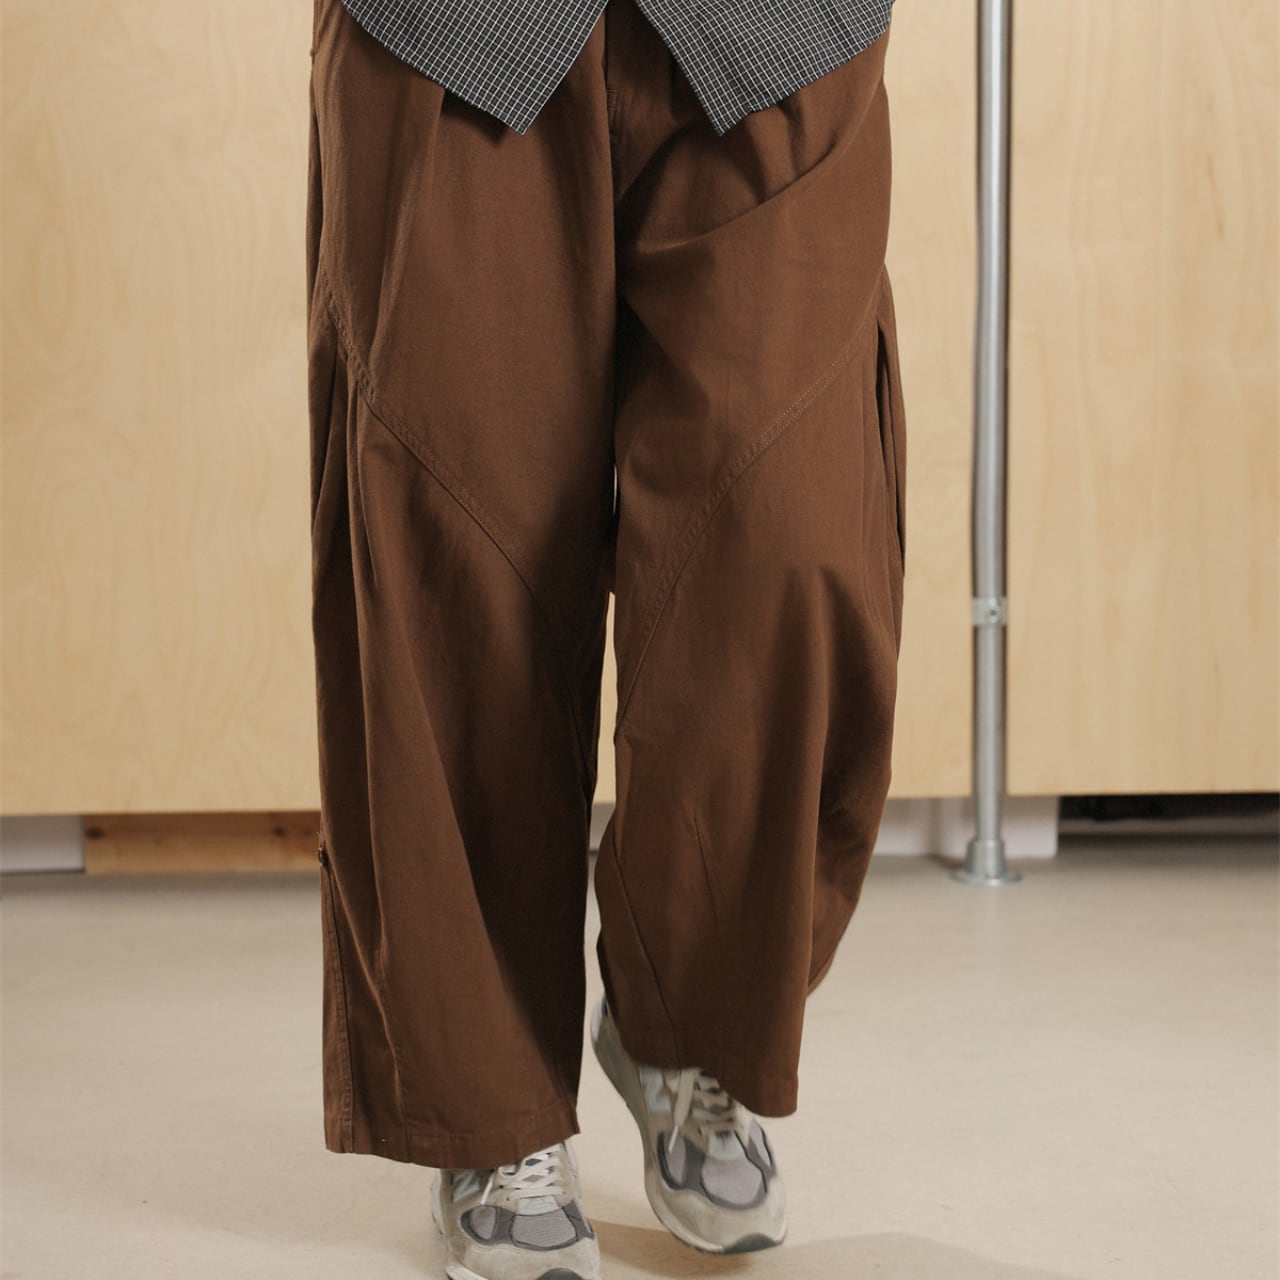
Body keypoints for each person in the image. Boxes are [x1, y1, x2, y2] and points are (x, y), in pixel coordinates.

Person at [305, 0, 906, 1275]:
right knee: (456, 540)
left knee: (787, 525)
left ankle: (690, 1023)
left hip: (773, 26)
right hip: (457, 28)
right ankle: (492, 1106)